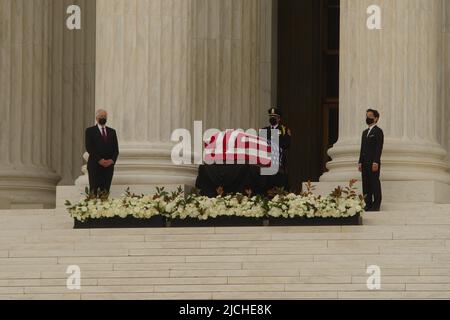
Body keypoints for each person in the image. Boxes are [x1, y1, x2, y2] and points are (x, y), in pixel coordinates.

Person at [85, 109, 119, 197]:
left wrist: (112, 160)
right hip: (94, 165)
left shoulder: (112, 132)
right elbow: (89, 148)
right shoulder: (90, 131)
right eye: (101, 117)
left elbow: (116, 149)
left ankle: (104, 210)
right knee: (93, 191)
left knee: (105, 192)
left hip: (108, 166)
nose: (103, 118)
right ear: (96, 118)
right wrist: (99, 160)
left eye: (105, 117)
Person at [358, 109, 384, 212]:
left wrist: (376, 161)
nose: (367, 118)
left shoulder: (378, 131)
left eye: (370, 116)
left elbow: (379, 148)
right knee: (366, 183)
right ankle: (367, 203)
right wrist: (360, 162)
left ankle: (376, 204)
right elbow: (362, 148)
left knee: (374, 183)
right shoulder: (364, 133)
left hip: (373, 163)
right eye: (367, 116)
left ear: (376, 118)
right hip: (364, 163)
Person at [263, 107, 291, 191]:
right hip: (266, 160)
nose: (272, 118)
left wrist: (274, 141)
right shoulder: (264, 130)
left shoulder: (284, 130)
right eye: (270, 116)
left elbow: (287, 144)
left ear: (279, 118)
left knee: (279, 183)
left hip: (279, 161)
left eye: (274, 116)